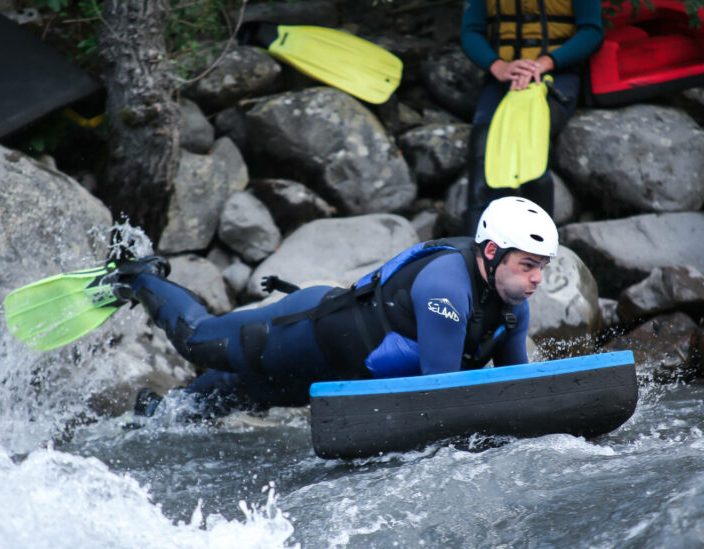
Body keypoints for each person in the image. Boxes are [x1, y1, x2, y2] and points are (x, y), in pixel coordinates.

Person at [107, 197, 558, 415]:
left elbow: (512, 385)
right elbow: (440, 395)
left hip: (342, 374)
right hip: (308, 333)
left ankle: (157, 415)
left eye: (541, 268)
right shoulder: (446, 287)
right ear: (494, 251)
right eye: (527, 265)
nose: (536, 278)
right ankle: (136, 275)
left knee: (237, 396)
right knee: (199, 340)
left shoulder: (513, 305)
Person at [460, 0, 604, 231]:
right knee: (483, 143)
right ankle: (476, 247)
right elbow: (471, 31)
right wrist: (497, 65)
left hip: (557, 74)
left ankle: (535, 249)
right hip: (503, 76)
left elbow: (592, 32)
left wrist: (545, 63)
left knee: (528, 140)